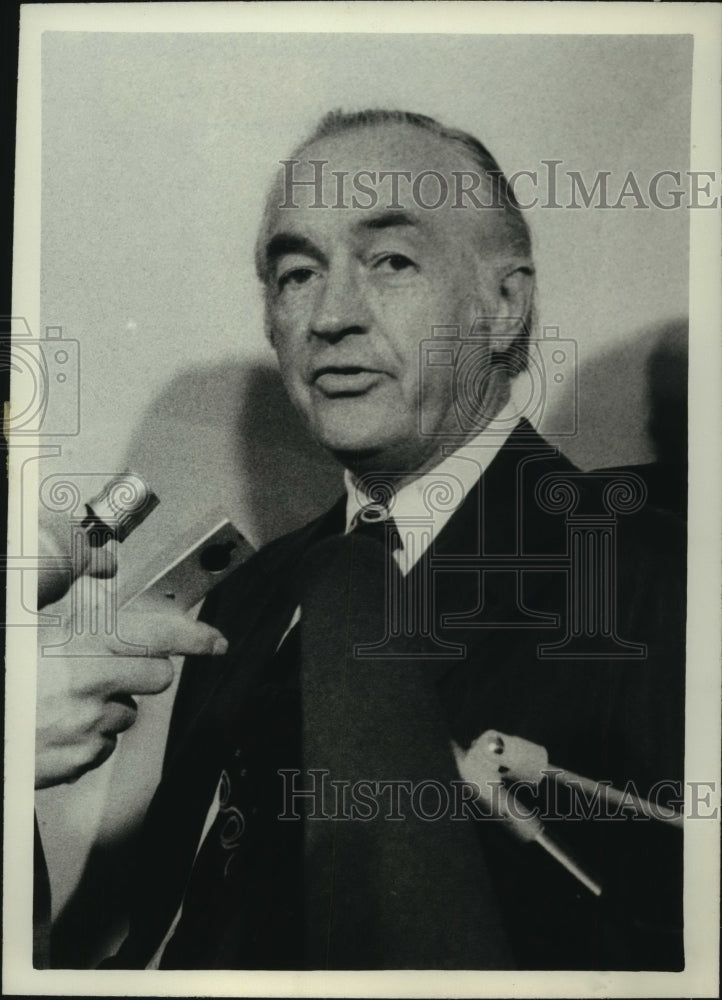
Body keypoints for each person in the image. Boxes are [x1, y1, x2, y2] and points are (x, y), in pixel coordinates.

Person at [35, 109, 686, 971]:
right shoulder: (246, 595)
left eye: (391, 262)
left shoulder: (657, 580)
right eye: (298, 273)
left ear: (503, 305)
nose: (331, 315)